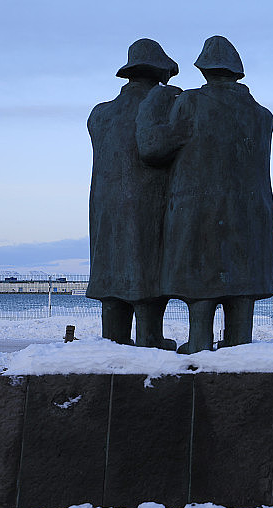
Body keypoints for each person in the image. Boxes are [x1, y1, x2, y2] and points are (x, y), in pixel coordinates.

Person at [137, 36, 273, 354]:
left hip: (198, 210)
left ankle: (199, 342)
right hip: (252, 214)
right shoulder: (262, 116)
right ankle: (239, 345)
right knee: (242, 288)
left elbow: (154, 151)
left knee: (201, 285)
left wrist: (150, 109)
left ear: (204, 70)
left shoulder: (189, 102)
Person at [87, 38, 179, 349]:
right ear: (160, 73)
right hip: (150, 202)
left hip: (105, 209)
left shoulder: (99, 114)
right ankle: (150, 336)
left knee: (111, 269)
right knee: (148, 268)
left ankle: (113, 339)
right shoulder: (166, 104)